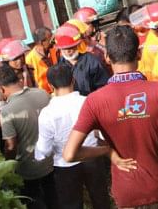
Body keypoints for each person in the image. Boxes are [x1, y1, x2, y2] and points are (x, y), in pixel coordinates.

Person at [63, 26, 158, 209]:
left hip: (126, 191)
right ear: (139, 54)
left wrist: (107, 152)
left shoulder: (94, 101)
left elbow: (69, 154)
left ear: (107, 58)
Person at [35, 64, 110, 209]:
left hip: (64, 165)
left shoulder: (47, 113)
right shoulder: (88, 102)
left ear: (50, 86)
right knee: (101, 200)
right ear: (73, 80)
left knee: (71, 204)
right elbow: (102, 132)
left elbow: (44, 150)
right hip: (93, 157)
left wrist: (38, 156)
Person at [0, 65, 55, 209]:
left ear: (1, 89)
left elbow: (11, 145)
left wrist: (8, 166)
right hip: (52, 160)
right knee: (53, 197)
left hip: (28, 168)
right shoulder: (42, 94)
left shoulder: (7, 111)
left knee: (34, 201)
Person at [54, 23, 109, 97]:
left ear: (77, 45)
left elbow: (103, 87)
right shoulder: (59, 66)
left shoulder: (92, 62)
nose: (67, 52)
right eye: (64, 49)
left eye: (70, 47)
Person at [26, 27, 54, 94]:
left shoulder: (54, 50)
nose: (53, 40)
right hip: (44, 95)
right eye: (50, 38)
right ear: (41, 42)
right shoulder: (29, 60)